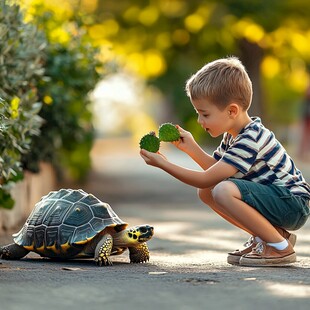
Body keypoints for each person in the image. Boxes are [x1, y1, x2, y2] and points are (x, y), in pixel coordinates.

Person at [140, 56, 310, 267]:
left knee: (222, 190)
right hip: (278, 200)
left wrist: (163, 164)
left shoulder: (250, 138)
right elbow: (216, 172)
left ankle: (279, 248)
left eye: (205, 114)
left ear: (232, 111)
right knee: (209, 190)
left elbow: (205, 178)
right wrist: (191, 147)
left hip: (292, 203)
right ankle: (270, 236)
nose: (200, 121)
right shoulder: (233, 134)